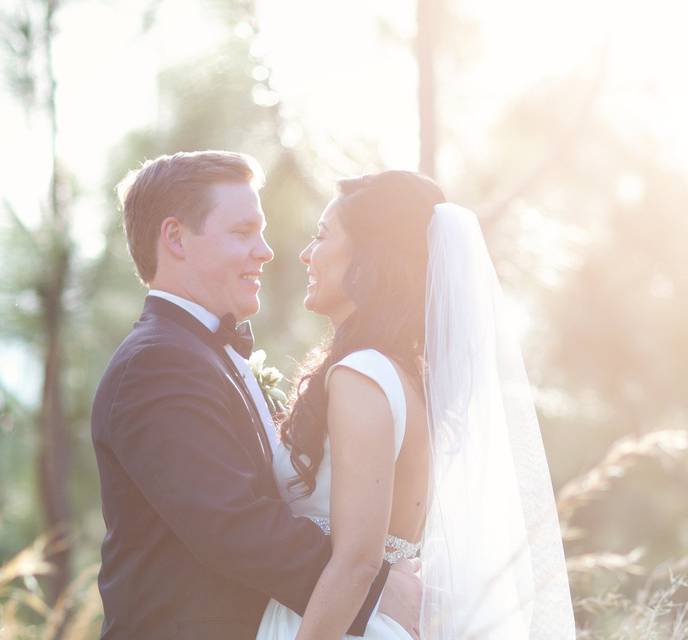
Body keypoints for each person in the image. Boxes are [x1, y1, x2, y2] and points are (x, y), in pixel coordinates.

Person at [91, 151, 419, 640]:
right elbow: (231, 524)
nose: (266, 251)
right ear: (176, 238)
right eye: (243, 232)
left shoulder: (205, 353)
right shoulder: (156, 363)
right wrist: (373, 588)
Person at [257, 171, 576, 639]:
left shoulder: (362, 375)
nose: (307, 253)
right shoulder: (410, 378)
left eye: (322, 236)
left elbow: (357, 563)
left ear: (369, 258)